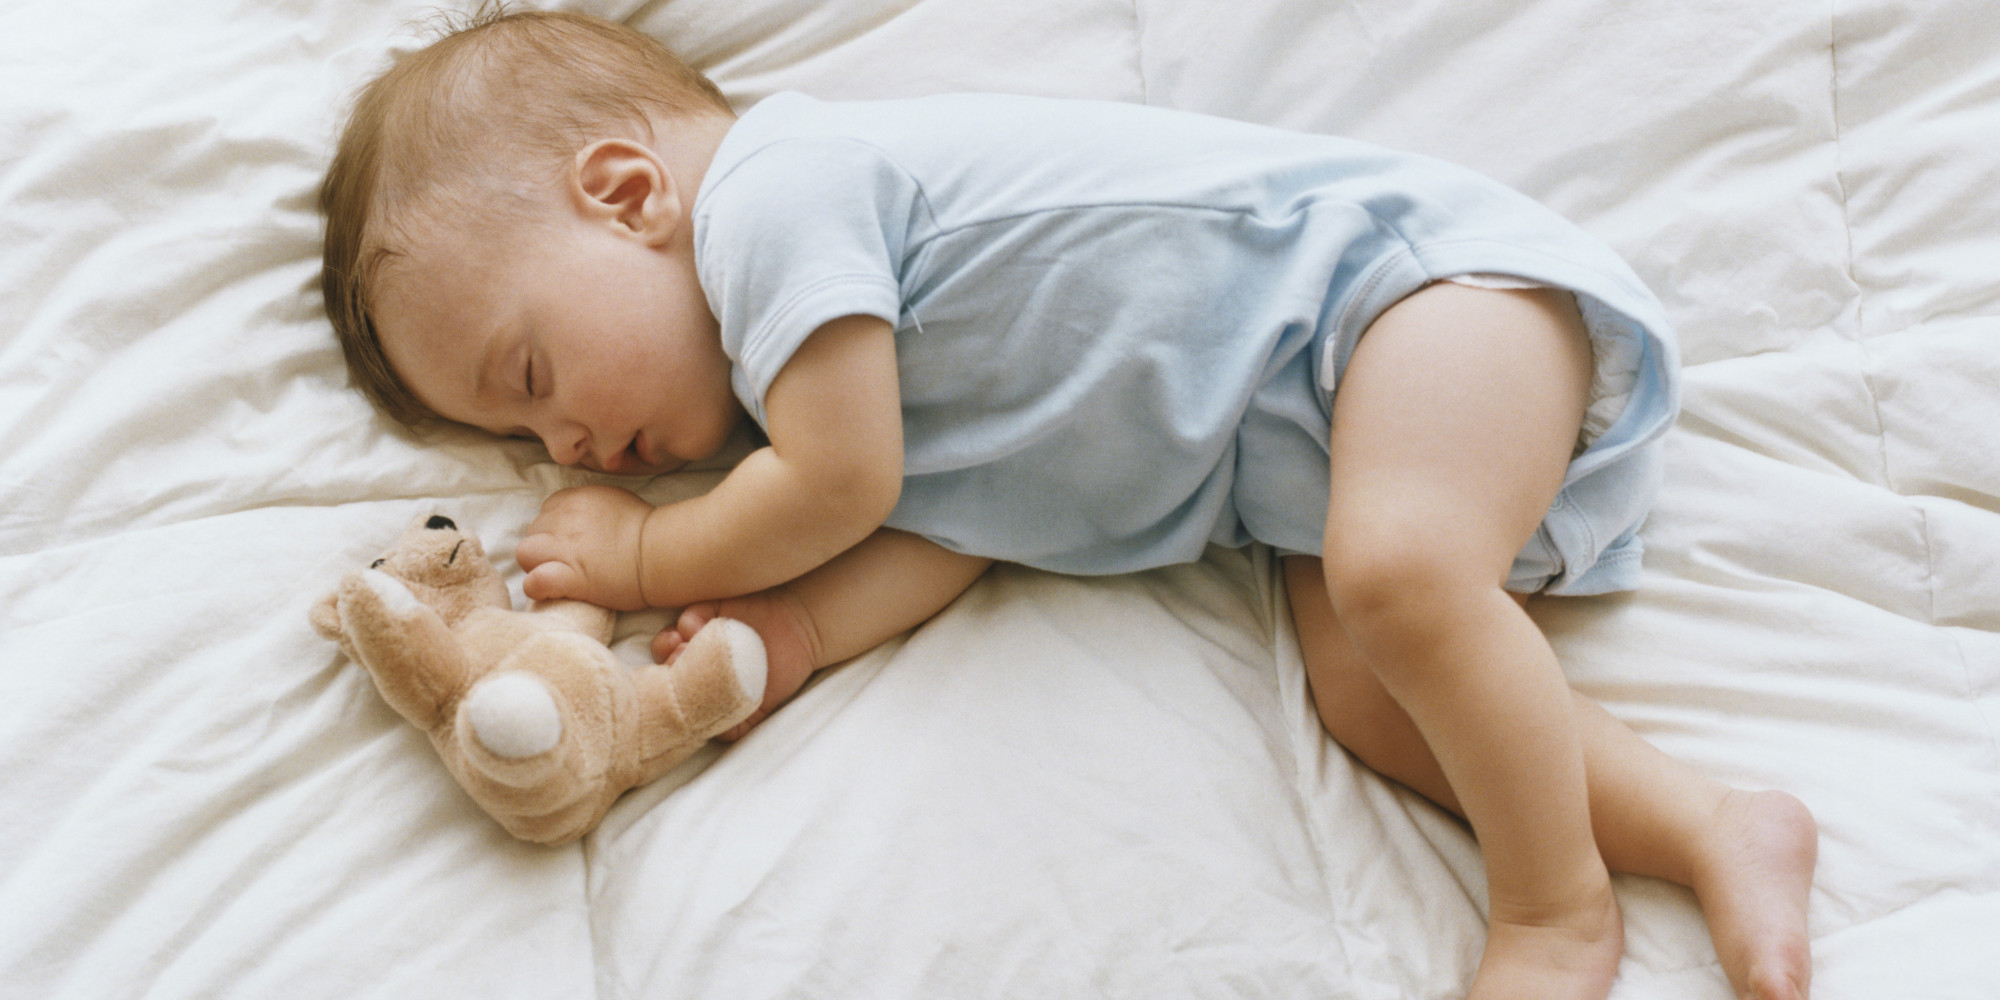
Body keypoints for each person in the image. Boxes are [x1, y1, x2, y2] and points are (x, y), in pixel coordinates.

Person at [319, 10, 1817, 1000]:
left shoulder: (779, 196)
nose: (569, 441)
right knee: (1372, 686)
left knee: (1404, 577)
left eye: (533, 371)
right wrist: (790, 630)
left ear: (626, 191)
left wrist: (655, 552)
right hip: (1336, 442)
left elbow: (847, 486)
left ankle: (1554, 915)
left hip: (1415, 302)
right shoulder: (823, 394)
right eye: (518, 433)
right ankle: (1709, 827)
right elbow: (950, 529)